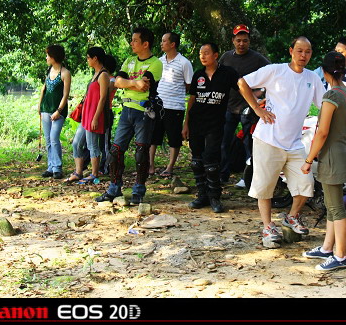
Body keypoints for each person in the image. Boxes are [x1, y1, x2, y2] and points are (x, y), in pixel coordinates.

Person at [238, 36, 325, 248]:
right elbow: (243, 83)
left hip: (295, 142)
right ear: (291, 51)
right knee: (265, 187)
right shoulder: (275, 70)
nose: (303, 55)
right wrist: (257, 108)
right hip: (268, 138)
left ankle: (292, 216)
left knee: (306, 186)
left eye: (308, 52)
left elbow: (324, 104)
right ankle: (268, 227)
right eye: (299, 51)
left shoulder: (312, 78)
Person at [95, 27, 163, 205]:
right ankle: (114, 189)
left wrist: (128, 83)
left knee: (141, 152)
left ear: (145, 44)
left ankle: (139, 190)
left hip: (144, 112)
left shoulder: (156, 63)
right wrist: (133, 82)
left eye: (135, 40)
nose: (131, 43)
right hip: (126, 111)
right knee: (116, 150)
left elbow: (144, 86)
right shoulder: (129, 60)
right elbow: (117, 82)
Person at [301, 52, 346, 271]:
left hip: (331, 156)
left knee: (336, 208)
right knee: (333, 207)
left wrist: (308, 159)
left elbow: (322, 132)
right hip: (342, 152)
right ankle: (327, 248)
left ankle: (340, 256)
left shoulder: (331, 95)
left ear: (324, 71)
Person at [182, 42, 240, 213]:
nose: (203, 56)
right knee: (196, 160)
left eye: (206, 53)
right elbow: (192, 99)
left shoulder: (227, 73)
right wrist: (186, 123)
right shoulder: (198, 74)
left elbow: (243, 87)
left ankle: (215, 196)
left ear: (215, 55)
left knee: (212, 161)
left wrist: (257, 101)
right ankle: (202, 195)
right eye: (201, 53)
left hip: (216, 123)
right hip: (196, 122)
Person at [219, 24, 270, 183]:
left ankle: (248, 177)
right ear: (233, 40)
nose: (242, 44)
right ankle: (223, 174)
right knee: (224, 142)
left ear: (249, 41)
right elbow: (218, 76)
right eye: (239, 40)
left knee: (250, 143)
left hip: (249, 108)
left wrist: (260, 93)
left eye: (245, 41)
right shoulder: (226, 57)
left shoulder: (258, 59)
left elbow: (272, 76)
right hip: (228, 106)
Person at [149, 31, 193, 177]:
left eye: (164, 41)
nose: (161, 43)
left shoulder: (184, 63)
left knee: (174, 138)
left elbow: (189, 85)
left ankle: (169, 167)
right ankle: (151, 166)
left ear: (173, 44)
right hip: (158, 104)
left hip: (175, 106)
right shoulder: (159, 62)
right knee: (154, 136)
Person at [67, 47, 110, 184]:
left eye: (88, 57)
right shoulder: (95, 74)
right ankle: (78, 171)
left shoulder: (103, 75)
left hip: (94, 115)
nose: (87, 60)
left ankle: (94, 174)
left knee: (93, 145)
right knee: (77, 143)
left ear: (95, 58)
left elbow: (103, 98)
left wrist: (96, 117)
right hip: (86, 115)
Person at [38, 44, 71, 179]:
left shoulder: (65, 73)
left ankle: (58, 167)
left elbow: (65, 95)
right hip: (46, 108)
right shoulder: (50, 70)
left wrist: (59, 111)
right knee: (48, 139)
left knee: (54, 137)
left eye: (48, 55)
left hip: (58, 111)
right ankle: (50, 167)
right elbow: (43, 89)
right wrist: (39, 106)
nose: (46, 58)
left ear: (54, 57)